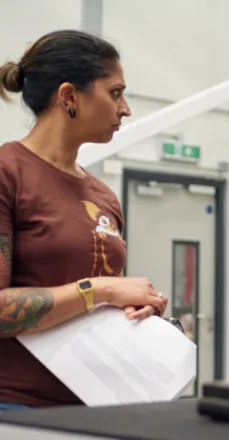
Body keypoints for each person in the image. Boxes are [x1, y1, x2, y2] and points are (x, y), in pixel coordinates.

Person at [0, 30, 168, 409]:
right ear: (69, 97)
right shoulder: (7, 173)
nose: (125, 108)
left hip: (97, 404)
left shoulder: (103, 196)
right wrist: (101, 290)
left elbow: (104, 291)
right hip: (17, 407)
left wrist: (137, 303)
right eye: (115, 92)